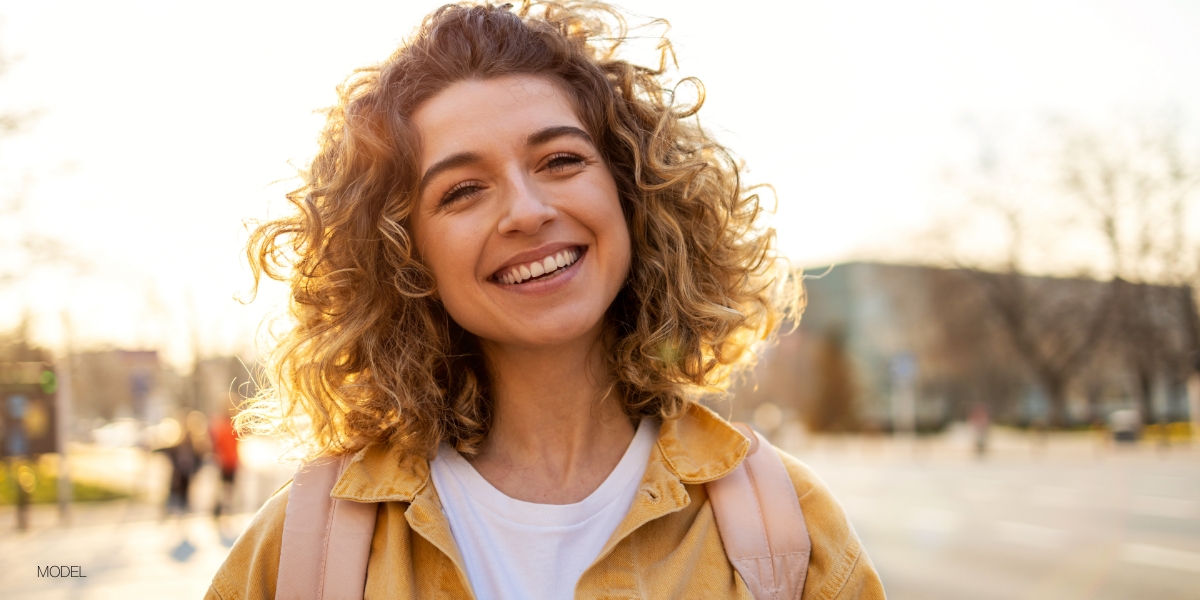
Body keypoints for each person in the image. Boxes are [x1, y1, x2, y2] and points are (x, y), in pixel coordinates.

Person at [207, 2, 884, 599]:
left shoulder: (787, 527)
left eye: (561, 161)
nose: (527, 212)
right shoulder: (306, 546)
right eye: (462, 191)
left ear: (630, 189)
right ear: (404, 256)